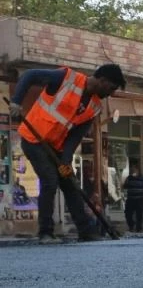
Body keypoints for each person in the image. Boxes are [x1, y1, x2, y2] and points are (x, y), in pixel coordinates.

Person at [7, 64, 125, 244]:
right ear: (102, 80)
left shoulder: (94, 106)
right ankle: (45, 232)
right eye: (111, 88)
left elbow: (75, 137)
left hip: (57, 146)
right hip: (33, 139)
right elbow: (29, 75)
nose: (111, 93)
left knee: (70, 183)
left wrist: (66, 161)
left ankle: (86, 231)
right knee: (49, 179)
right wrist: (16, 101)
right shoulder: (66, 78)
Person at [123, 165, 143, 232]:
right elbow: (125, 186)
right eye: (132, 171)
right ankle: (131, 226)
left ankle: (139, 228)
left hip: (140, 199)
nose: (133, 172)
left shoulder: (142, 178)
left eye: (134, 170)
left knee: (139, 214)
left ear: (137, 171)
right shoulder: (129, 178)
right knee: (128, 214)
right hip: (130, 199)